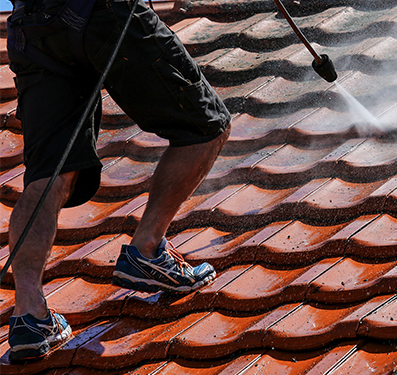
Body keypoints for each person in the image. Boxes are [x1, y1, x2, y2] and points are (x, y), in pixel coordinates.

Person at [5, 0, 232, 363]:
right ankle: (147, 249)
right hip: (102, 9)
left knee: (48, 175)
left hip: (32, 26)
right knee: (206, 125)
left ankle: (29, 313)